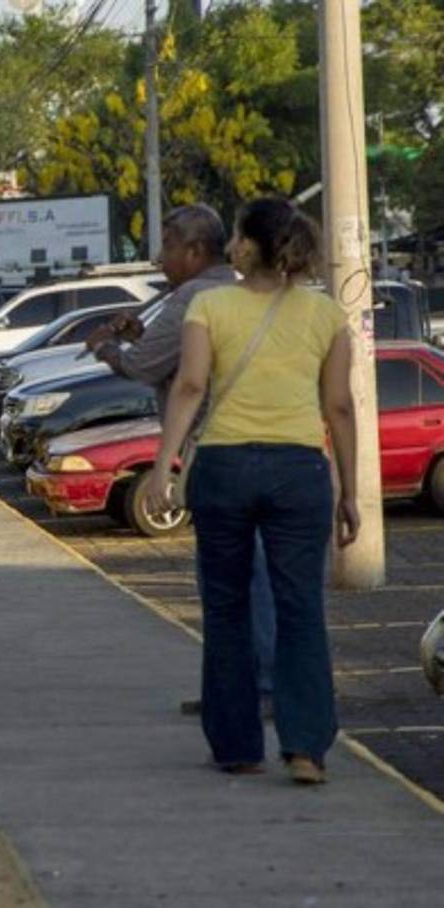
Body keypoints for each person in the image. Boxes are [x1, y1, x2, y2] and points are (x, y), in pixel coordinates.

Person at [147, 198, 360, 785]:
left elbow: (190, 386)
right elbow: (339, 407)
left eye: (238, 236)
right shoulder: (326, 315)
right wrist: (350, 492)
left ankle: (237, 746)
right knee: (301, 609)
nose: (231, 246)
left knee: (226, 607)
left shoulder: (209, 306)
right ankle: (306, 748)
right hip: (299, 472)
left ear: (250, 245)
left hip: (224, 468)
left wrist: (165, 466)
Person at [86, 205, 277, 712]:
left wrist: (106, 346)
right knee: (256, 576)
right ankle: (250, 687)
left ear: (195, 251)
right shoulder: (242, 294)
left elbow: (161, 372)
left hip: (217, 449)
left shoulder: (194, 297)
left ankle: (246, 690)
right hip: (271, 448)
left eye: (168, 246)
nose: (160, 257)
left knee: (225, 580)